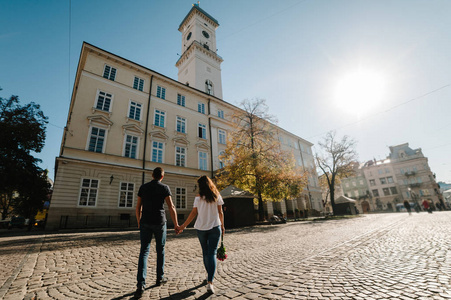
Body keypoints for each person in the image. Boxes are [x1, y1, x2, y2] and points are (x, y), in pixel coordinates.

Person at [135, 167, 179, 298]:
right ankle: (160, 278)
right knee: (160, 250)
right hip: (160, 222)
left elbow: (138, 206)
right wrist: (176, 224)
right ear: (162, 176)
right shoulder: (164, 187)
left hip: (145, 222)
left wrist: (139, 220)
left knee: (144, 251)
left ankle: (140, 284)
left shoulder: (143, 187)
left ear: (152, 175)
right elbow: (171, 207)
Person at [177, 176, 225, 294]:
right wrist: (222, 226)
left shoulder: (198, 198)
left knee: (205, 252)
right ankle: (210, 281)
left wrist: (183, 226)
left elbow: (194, 213)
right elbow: (220, 212)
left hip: (201, 228)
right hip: (215, 227)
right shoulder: (216, 196)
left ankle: (209, 276)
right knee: (212, 253)